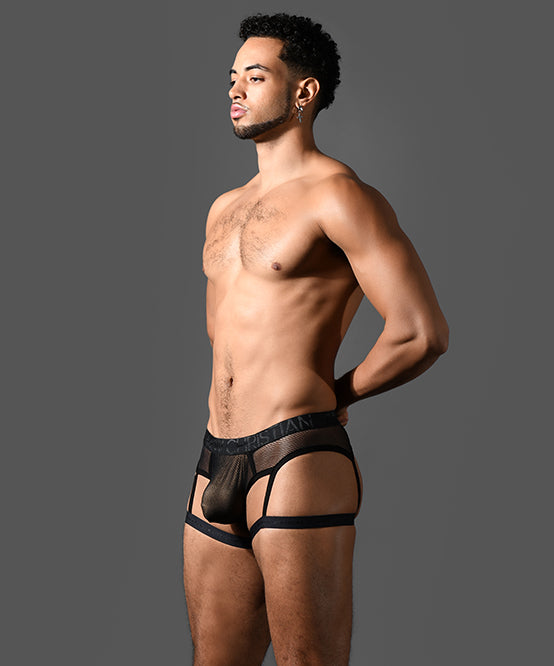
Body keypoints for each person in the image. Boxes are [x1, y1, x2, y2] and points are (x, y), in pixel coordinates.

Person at [183, 12, 449, 665]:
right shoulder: (223, 209)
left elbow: (420, 332)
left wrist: (340, 393)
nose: (235, 90)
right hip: (214, 456)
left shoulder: (340, 196)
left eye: (255, 76)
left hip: (297, 454)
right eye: (232, 77)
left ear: (303, 92)